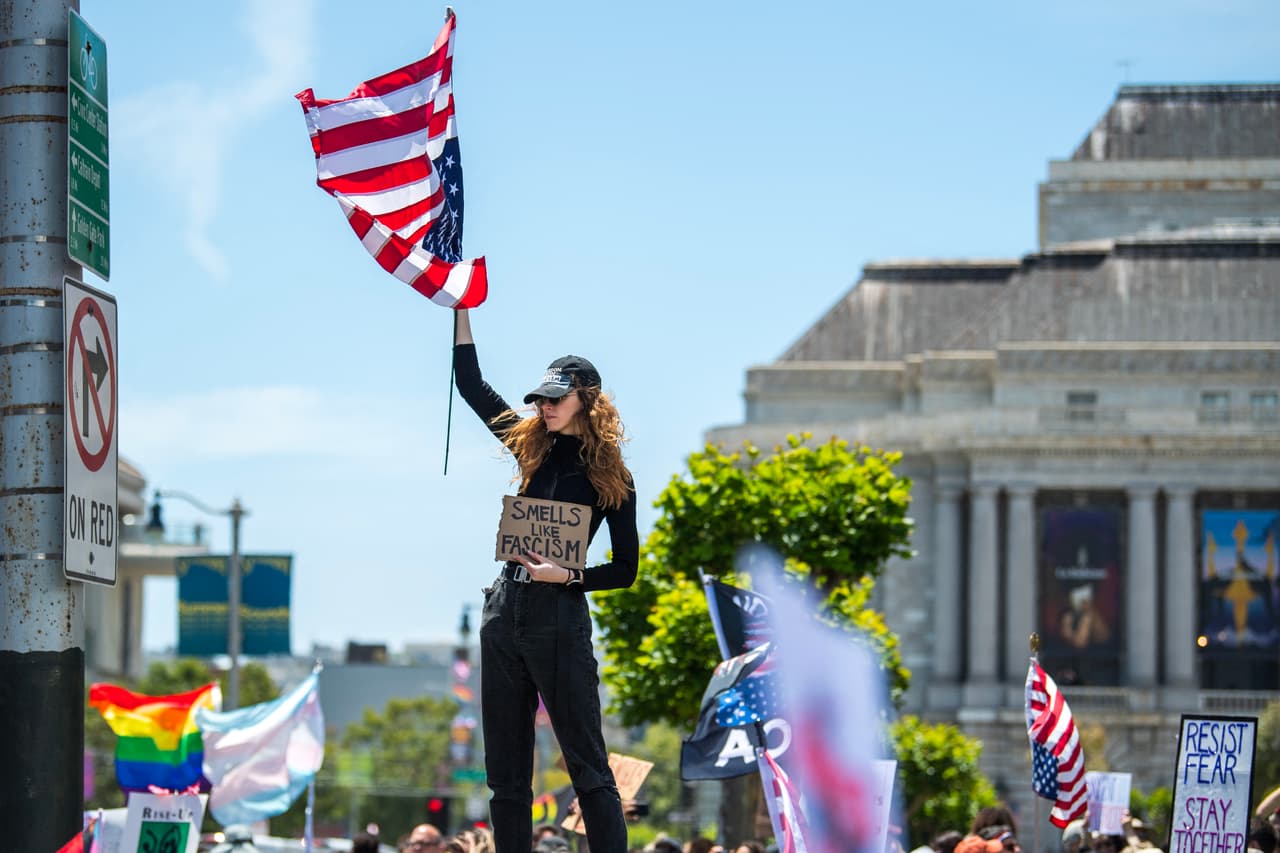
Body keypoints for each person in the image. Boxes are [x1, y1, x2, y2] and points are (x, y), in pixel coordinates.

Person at [453, 309, 639, 853]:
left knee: (588, 767)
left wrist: (569, 575)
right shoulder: (530, 445)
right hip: (503, 613)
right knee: (505, 777)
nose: (544, 406)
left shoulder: (614, 476)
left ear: (588, 399)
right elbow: (471, 385)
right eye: (540, 398)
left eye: (556, 397)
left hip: (559, 617)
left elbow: (626, 570)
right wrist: (460, 306)